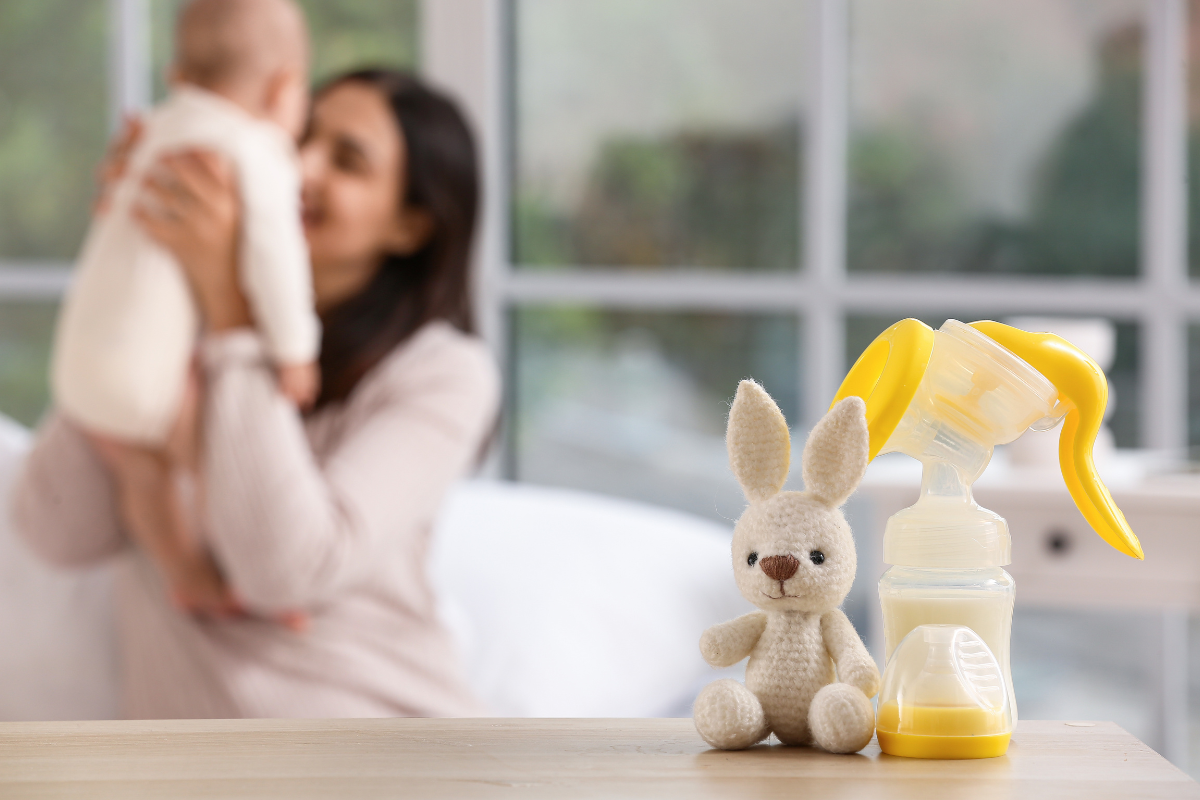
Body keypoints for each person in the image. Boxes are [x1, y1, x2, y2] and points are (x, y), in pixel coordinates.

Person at [12, 67, 499, 719]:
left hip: (391, 748)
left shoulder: (442, 372)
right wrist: (133, 260)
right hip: (191, 764)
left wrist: (233, 316)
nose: (301, 165)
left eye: (348, 161)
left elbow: (287, 569)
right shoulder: (178, 325)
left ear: (409, 226)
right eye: (300, 136)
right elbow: (55, 529)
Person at [52, 0, 320, 614]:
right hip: (148, 378)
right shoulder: (254, 148)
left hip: (78, 368)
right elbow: (276, 255)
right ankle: (257, 575)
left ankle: (184, 572)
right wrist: (295, 350)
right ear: (283, 88)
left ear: (177, 75)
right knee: (216, 465)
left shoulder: (148, 133)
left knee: (142, 473)